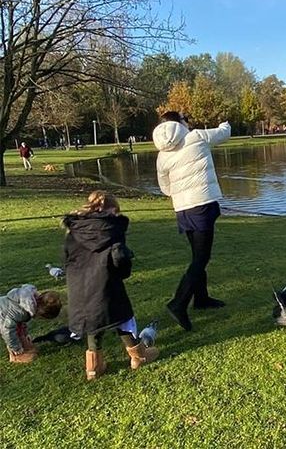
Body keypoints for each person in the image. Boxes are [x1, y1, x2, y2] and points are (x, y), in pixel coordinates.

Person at [63, 191, 159, 380]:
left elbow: (67, 258)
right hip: (106, 281)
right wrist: (124, 268)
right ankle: (138, 356)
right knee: (122, 317)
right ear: (112, 209)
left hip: (80, 285)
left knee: (93, 321)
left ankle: (93, 367)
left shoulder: (75, 229)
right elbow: (119, 258)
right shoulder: (111, 229)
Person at [153, 111, 231, 331]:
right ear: (180, 122)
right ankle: (178, 303)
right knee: (201, 258)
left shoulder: (162, 154)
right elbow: (225, 133)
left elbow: (164, 187)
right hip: (202, 205)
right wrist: (224, 120)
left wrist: (180, 193)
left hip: (183, 209)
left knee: (198, 255)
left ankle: (202, 298)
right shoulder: (196, 136)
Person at [0, 284, 61, 363]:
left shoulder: (24, 302)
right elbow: (7, 330)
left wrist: (25, 333)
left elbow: (20, 323)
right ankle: (16, 356)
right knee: (13, 334)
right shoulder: (18, 311)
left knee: (17, 332)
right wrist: (16, 348)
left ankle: (22, 349)